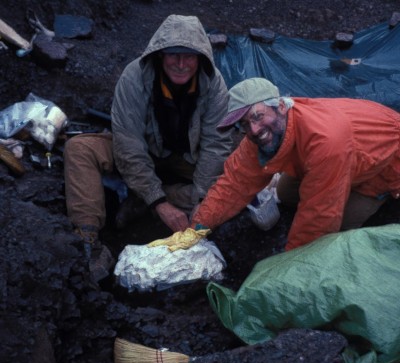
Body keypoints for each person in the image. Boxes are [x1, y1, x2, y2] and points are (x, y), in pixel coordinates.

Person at [63, 14, 233, 282]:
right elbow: (128, 146)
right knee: (79, 149)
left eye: (189, 56)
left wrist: (202, 203)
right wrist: (159, 203)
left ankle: (139, 202)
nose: (180, 64)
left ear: (200, 58)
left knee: (234, 179)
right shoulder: (135, 77)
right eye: (173, 55)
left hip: (187, 161)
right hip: (145, 152)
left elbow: (215, 146)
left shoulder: (214, 84)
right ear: (160, 54)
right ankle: (89, 241)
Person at [190, 77, 400, 251]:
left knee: (337, 224)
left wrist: (288, 266)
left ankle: (380, 199)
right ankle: (334, 183)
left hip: (383, 165)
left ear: (281, 106)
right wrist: (196, 227)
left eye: (258, 116)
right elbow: (234, 184)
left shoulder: (325, 141)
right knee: (285, 194)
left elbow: (318, 220)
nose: (253, 130)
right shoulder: (261, 134)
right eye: (245, 124)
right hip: (335, 159)